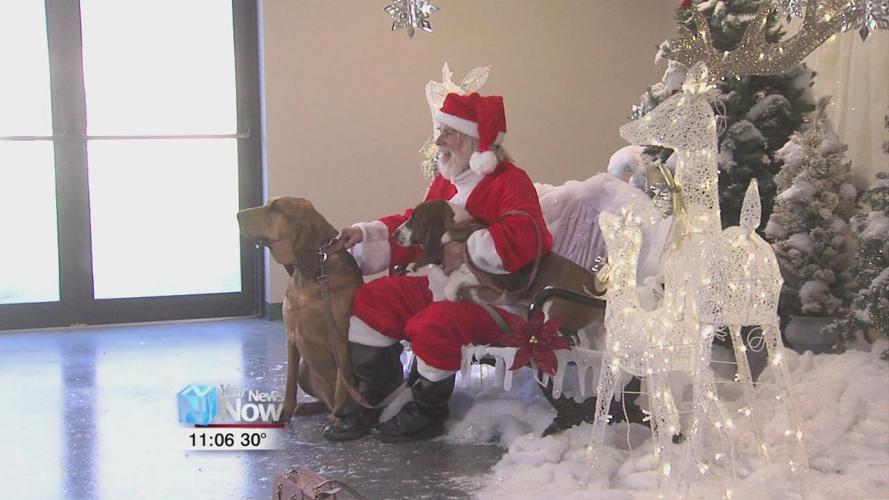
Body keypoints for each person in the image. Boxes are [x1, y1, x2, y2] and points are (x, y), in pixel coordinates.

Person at [322, 92, 553, 443]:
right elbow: (417, 224)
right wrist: (364, 234)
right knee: (373, 299)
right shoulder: (449, 178)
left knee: (432, 324)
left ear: (474, 140)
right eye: (440, 131)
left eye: (449, 133)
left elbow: (530, 238)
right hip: (443, 285)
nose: (439, 141)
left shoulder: (510, 181)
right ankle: (378, 394)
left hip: (497, 301)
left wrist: (469, 247)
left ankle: (426, 412)